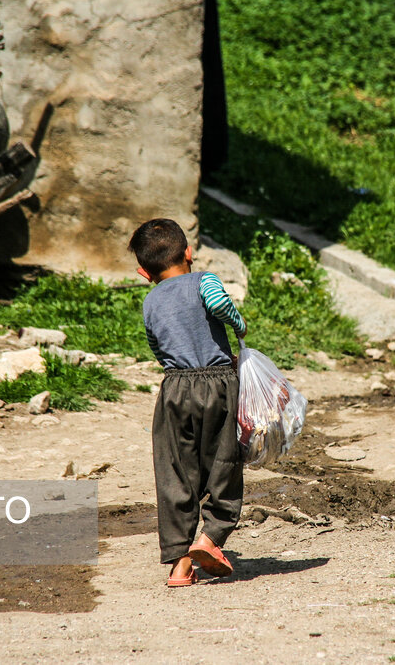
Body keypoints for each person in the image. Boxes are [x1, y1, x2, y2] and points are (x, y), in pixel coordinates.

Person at [128, 218, 247, 587]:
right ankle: (210, 540)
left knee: (176, 474)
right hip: (217, 383)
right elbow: (218, 304)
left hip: (175, 388)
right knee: (224, 462)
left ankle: (180, 565)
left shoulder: (150, 301)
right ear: (189, 253)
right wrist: (238, 325)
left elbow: (156, 345)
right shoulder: (204, 280)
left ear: (143, 271)